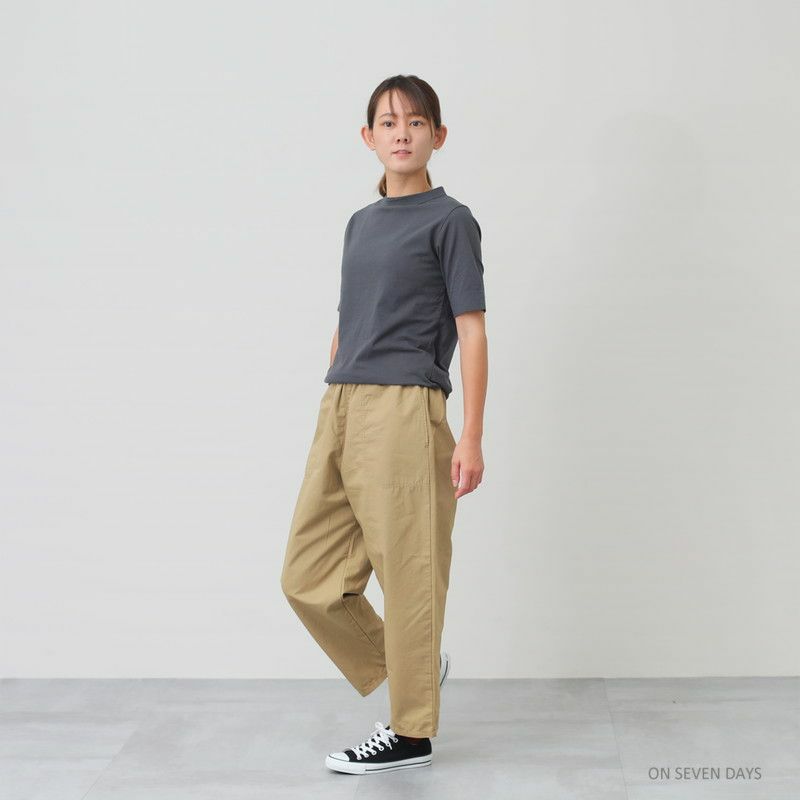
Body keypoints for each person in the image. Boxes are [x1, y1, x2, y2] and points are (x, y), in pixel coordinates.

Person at [280, 74, 488, 775]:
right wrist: (336, 380)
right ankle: (414, 668)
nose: (402, 133)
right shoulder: (360, 223)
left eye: (416, 122)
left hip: (405, 406)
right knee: (307, 577)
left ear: (438, 136)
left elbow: (472, 329)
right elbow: (351, 313)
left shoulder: (450, 220)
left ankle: (411, 732)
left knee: (409, 572)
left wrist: (470, 435)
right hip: (342, 404)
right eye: (389, 122)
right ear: (368, 137)